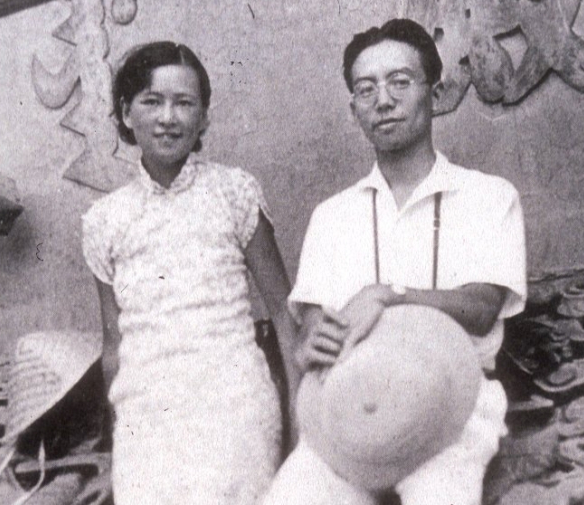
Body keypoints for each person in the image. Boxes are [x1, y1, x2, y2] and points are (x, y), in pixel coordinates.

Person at [264, 18, 526, 505]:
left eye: (399, 82)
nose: (382, 100)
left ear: (435, 90)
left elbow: (483, 307)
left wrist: (387, 294)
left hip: (456, 401)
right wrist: (313, 338)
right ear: (354, 109)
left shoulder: (489, 196)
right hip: (351, 405)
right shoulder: (332, 215)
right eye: (366, 90)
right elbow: (315, 324)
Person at [81, 41, 300, 504]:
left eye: (185, 103)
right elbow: (113, 348)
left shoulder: (233, 191)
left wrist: (301, 431)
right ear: (125, 112)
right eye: (152, 101)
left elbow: (285, 316)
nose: (168, 117)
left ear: (203, 117)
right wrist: (118, 449)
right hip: (148, 410)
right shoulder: (104, 220)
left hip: (234, 402)